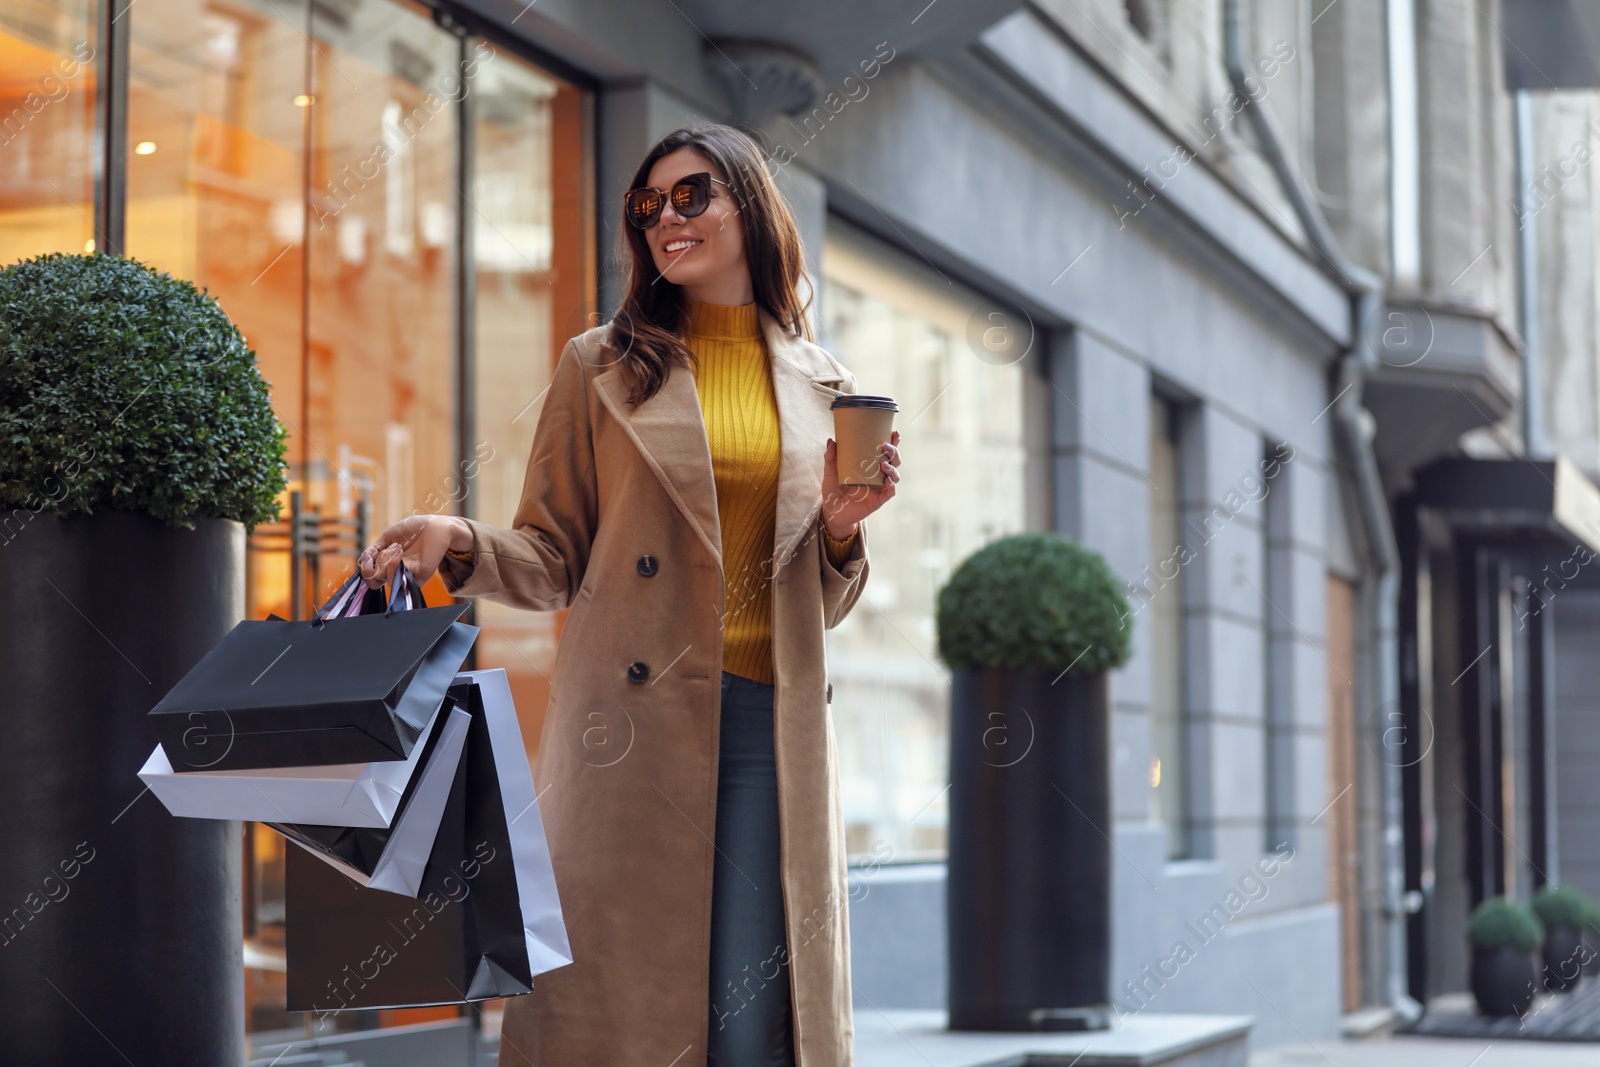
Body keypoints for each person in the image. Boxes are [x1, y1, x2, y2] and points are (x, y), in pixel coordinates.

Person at [358, 122, 901, 1066]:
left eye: (693, 196)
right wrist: (457, 543)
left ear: (751, 206)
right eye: (649, 206)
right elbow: (551, 554)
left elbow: (826, 603)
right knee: (628, 1016)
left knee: (751, 1019)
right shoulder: (600, 363)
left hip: (772, 730)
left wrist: (845, 527)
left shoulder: (826, 382)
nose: (667, 220)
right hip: (631, 734)